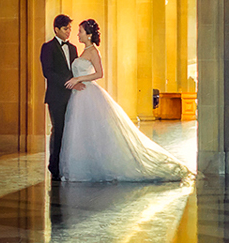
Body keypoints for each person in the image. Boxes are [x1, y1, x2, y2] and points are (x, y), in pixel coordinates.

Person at [59, 19, 192, 183]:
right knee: (82, 132)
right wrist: (76, 81)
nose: (77, 34)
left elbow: (99, 73)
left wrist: (79, 78)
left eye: (80, 31)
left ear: (89, 34)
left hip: (89, 93)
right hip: (79, 95)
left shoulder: (93, 51)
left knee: (97, 131)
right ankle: (85, 167)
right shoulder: (82, 51)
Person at [39, 13, 79, 181]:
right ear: (56, 29)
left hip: (73, 96)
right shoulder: (47, 47)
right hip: (56, 96)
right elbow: (48, 72)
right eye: (65, 29)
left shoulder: (73, 48)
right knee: (58, 129)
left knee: (71, 130)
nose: (68, 32)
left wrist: (77, 81)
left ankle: (67, 164)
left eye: (70, 28)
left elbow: (76, 70)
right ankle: (54, 166)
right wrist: (68, 81)